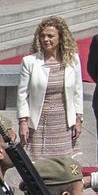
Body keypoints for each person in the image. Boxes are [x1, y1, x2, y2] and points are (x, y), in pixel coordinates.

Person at [15, 15, 82, 160]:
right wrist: (23, 122)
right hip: (39, 123)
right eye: (43, 36)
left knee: (63, 166)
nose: (46, 39)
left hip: (63, 123)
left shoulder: (73, 59)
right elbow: (22, 95)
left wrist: (78, 119)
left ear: (61, 37)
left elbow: (78, 92)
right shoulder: (30, 62)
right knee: (38, 166)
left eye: (50, 36)